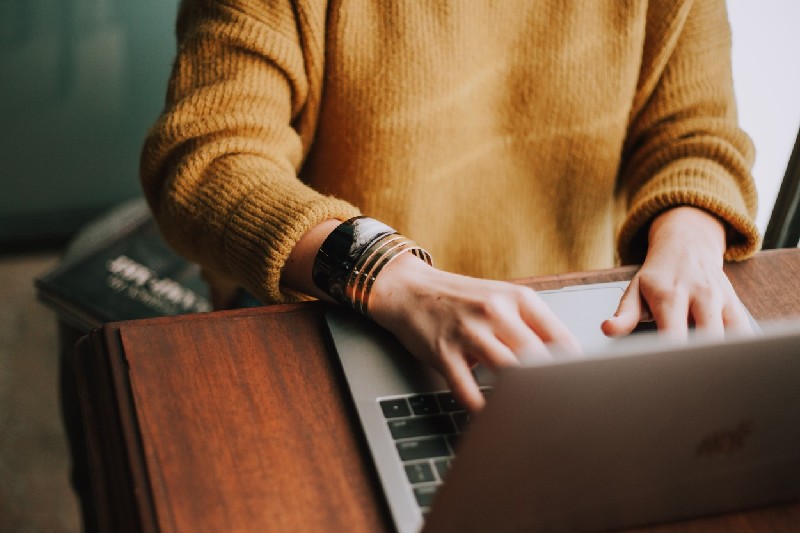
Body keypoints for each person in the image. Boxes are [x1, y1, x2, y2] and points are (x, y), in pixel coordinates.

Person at [141, 0, 760, 413]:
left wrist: (690, 242)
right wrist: (392, 276)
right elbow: (207, 159)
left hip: (570, 333)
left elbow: (696, 135)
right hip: (337, 320)